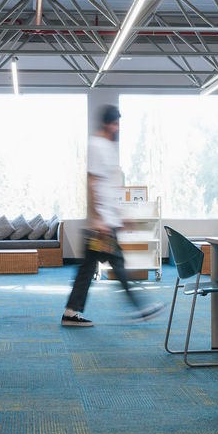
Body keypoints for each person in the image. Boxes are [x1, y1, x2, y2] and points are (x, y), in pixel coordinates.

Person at [61, 105, 163, 327]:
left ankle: (71, 312)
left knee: (89, 268)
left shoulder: (106, 147)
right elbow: (93, 183)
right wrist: (98, 219)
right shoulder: (97, 145)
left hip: (106, 221)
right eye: (116, 124)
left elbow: (108, 188)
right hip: (102, 225)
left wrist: (120, 215)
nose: (117, 128)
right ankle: (141, 306)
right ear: (108, 123)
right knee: (116, 264)